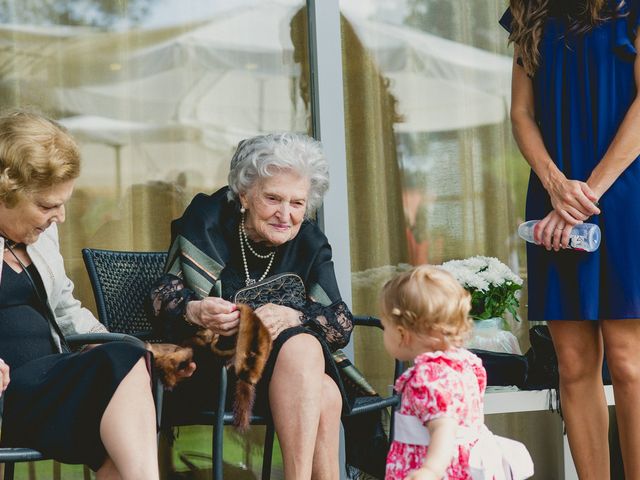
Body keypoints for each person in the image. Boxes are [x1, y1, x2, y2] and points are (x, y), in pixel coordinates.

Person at [148, 132, 354, 479]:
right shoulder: (208, 221)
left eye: (297, 203)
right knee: (316, 371)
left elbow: (340, 322)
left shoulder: (309, 241)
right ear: (244, 194)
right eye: (273, 198)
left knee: (325, 388)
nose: (285, 214)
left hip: (290, 376)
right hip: (213, 370)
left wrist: (295, 315)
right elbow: (160, 297)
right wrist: (195, 310)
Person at [501, 1, 640, 477]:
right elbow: (521, 113)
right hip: (553, 196)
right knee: (574, 363)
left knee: (628, 362)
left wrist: (586, 194)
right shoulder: (529, 10)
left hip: (624, 194)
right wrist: (556, 186)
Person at [0, 109, 160, 480]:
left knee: (127, 358)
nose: (61, 217)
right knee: (121, 367)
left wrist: (110, 345)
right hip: (12, 392)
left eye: (63, 202)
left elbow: (65, 307)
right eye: (47, 205)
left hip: (52, 382)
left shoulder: (40, 235)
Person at [381, 265, 532, 480]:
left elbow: (444, 426)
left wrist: (430, 470)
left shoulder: (428, 377)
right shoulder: (464, 363)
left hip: (435, 468)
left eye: (385, 327)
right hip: (463, 467)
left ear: (402, 333)